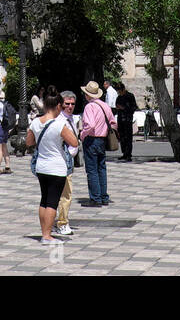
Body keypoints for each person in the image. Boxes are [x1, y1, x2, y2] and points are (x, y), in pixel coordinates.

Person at [25, 90, 80, 245]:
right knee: (52, 202)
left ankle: (44, 231)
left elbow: (29, 142)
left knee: (44, 199)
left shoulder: (35, 122)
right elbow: (74, 142)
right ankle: (47, 235)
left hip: (41, 166)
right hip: (56, 167)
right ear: (57, 106)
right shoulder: (59, 124)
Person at [79, 81, 115, 206]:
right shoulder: (105, 106)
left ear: (88, 95)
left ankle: (95, 198)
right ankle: (104, 196)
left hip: (91, 139)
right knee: (101, 168)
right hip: (102, 140)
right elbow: (113, 123)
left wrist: (82, 135)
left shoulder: (90, 107)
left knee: (92, 170)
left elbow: (90, 125)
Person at [53, 91, 81, 238]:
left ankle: (55, 222)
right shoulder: (60, 121)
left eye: (72, 104)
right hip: (62, 162)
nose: (70, 107)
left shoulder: (70, 119)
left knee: (61, 194)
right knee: (65, 195)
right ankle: (62, 223)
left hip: (68, 161)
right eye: (67, 104)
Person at [114, 82, 138, 162]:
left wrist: (124, 108)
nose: (119, 92)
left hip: (127, 119)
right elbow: (116, 106)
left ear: (123, 89)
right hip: (121, 119)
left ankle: (128, 154)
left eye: (120, 91)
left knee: (128, 137)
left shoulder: (130, 96)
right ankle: (124, 153)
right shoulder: (119, 98)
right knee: (122, 137)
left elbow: (133, 107)